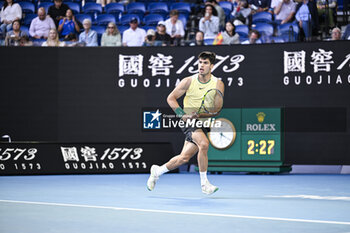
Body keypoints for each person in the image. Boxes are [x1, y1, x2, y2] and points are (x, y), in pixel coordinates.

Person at [147, 51, 225, 195]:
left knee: (184, 158)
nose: (201, 65)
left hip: (203, 122)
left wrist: (200, 114)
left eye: (205, 63)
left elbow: (216, 110)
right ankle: (204, 184)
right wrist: (182, 115)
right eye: (200, 62)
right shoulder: (188, 81)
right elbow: (171, 98)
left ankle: (157, 171)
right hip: (188, 121)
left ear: (212, 66)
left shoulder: (218, 84)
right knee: (204, 144)